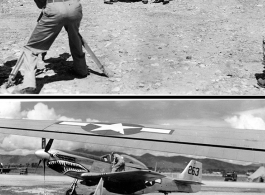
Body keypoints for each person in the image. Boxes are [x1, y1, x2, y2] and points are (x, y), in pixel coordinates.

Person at [13, 0, 88, 94]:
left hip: (55, 8)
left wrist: (45, 5)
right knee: (75, 38)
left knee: (30, 49)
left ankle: (29, 85)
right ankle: (81, 70)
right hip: (74, 7)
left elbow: (40, 4)